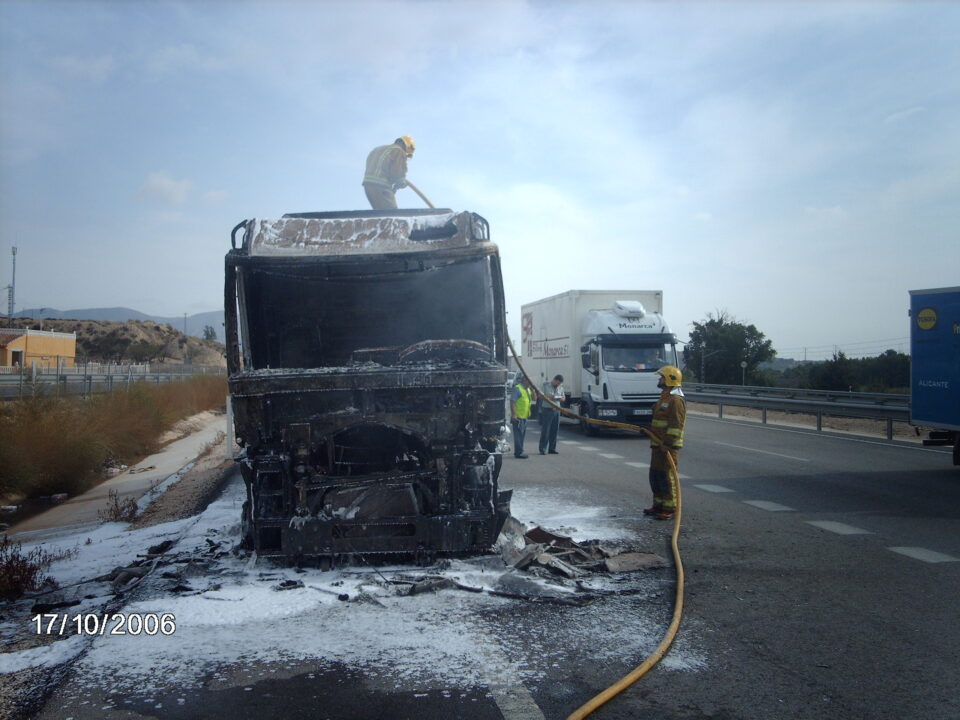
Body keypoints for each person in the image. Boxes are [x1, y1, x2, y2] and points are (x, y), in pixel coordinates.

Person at [644, 365, 686, 520]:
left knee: (666, 477)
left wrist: (668, 444)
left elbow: (676, 425)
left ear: (669, 379)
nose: (659, 379)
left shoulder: (676, 400)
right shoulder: (664, 397)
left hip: (668, 447)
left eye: (661, 377)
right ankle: (658, 506)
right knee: (655, 476)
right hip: (657, 445)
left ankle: (669, 508)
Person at [362, 136, 416, 210]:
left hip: (368, 186)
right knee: (393, 213)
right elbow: (397, 171)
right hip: (381, 185)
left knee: (380, 214)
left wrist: (394, 186)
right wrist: (401, 180)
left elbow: (382, 167)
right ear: (405, 146)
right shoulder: (398, 150)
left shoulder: (377, 149)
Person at [538, 374, 565, 455]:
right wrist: (550, 397)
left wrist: (560, 398)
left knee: (554, 430)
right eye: (557, 382)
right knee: (546, 430)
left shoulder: (560, 387)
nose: (558, 384)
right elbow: (540, 395)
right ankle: (542, 449)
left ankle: (552, 449)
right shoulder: (546, 386)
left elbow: (563, 398)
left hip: (557, 410)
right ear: (554, 379)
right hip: (547, 410)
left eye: (559, 383)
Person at [510, 375, 534, 459]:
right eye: (530, 381)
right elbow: (512, 401)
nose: (531, 383)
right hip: (518, 417)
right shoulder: (517, 388)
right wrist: (514, 414)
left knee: (522, 435)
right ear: (525, 381)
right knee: (518, 435)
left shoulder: (527, 389)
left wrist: (533, 390)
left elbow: (534, 399)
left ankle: (519, 451)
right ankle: (519, 453)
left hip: (524, 416)